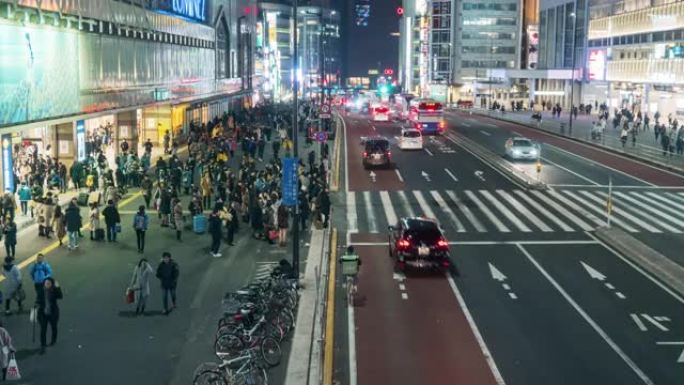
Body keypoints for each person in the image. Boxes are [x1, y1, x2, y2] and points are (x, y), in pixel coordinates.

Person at [36, 277, 63, 354]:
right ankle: (43, 345)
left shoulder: (54, 291)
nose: (47, 284)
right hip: (43, 313)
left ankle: (53, 340)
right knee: (43, 329)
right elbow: (37, 299)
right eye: (46, 283)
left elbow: (60, 296)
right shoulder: (41, 291)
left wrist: (58, 287)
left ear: (52, 284)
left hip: (53, 313)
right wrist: (36, 304)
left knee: (54, 327)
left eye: (49, 283)